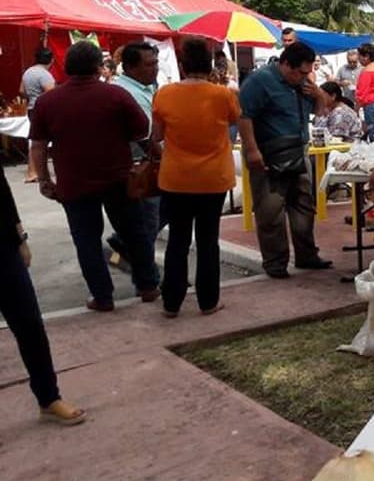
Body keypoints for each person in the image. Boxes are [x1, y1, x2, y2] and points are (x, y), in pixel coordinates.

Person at [28, 41, 158, 310]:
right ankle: (148, 287)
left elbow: (38, 145)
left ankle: (102, 296)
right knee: (135, 234)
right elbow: (141, 129)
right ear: (98, 66)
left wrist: (43, 179)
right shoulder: (115, 95)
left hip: (74, 183)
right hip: (118, 178)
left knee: (86, 240)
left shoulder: (47, 102)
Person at [152, 39, 240, 317]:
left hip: (176, 177)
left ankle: (171, 303)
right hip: (213, 178)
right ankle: (208, 301)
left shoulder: (164, 94)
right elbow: (234, 119)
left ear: (182, 64)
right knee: (207, 240)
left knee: (177, 240)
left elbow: (156, 137)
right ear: (210, 65)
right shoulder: (222, 95)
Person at [238, 41, 334, 279]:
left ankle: (307, 254)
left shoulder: (304, 83)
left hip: (299, 149)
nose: (303, 76)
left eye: (308, 72)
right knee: (270, 210)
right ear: (285, 65)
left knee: (303, 204)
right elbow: (244, 116)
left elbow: (321, 110)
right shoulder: (259, 81)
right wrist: (251, 150)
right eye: (300, 72)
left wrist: (318, 93)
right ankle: (275, 262)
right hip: (269, 152)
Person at [0, 172, 86, 425]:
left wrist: (20, 238)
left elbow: (2, 192)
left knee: (30, 325)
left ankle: (49, 398)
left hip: (3, 249)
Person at [107, 42, 163, 284]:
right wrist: (162, 158)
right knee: (147, 224)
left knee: (153, 219)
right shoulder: (125, 91)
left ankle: (123, 245)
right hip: (140, 167)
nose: (155, 69)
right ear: (130, 67)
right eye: (149, 64)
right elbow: (146, 135)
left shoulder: (147, 87)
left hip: (145, 163)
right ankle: (147, 281)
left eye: (156, 63)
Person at [19, 48, 55, 183]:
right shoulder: (44, 74)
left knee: (35, 140)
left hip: (31, 109)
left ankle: (32, 171)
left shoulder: (28, 72)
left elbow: (21, 90)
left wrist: (32, 97)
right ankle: (39, 171)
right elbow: (51, 94)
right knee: (46, 141)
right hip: (43, 110)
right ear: (51, 60)